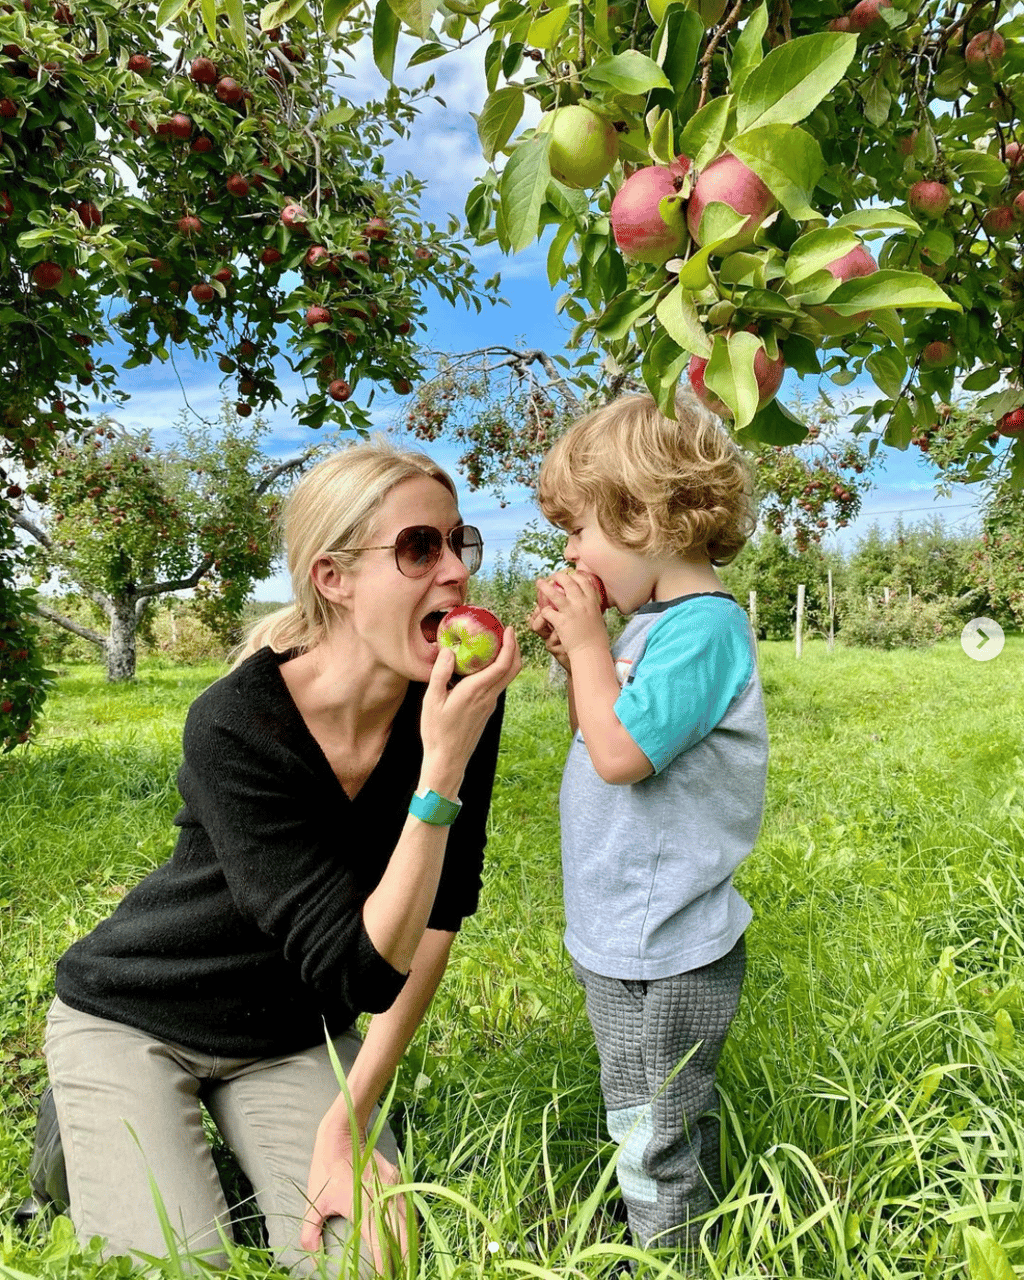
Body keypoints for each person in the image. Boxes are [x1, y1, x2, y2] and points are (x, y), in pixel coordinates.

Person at [40, 438, 521, 1276]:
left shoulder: (455, 703)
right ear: (333, 577)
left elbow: (439, 916)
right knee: (177, 1267)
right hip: (142, 1010)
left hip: (294, 1034)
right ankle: (77, 1130)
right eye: (418, 546)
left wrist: (351, 1114)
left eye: (458, 541)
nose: (454, 572)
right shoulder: (235, 722)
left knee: (370, 1263)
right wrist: (438, 772)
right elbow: (361, 970)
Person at [529, 393, 768, 1253]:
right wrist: (579, 660)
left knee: (654, 1128)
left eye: (580, 528)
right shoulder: (650, 630)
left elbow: (623, 757)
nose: (569, 552)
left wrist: (593, 649)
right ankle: (663, 1234)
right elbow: (602, 736)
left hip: (665, 941)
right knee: (641, 1108)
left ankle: (668, 1258)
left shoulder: (702, 628)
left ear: (647, 515)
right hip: (624, 926)